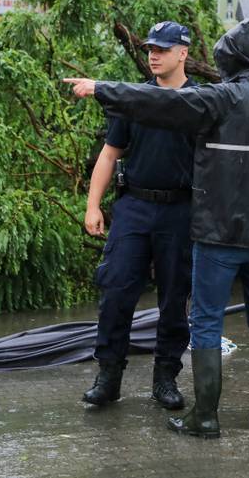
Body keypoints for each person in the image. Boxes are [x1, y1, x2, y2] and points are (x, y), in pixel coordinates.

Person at [65, 17, 249, 438]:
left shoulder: (220, 98)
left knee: (199, 317)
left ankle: (201, 413)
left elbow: (168, 106)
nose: (153, 53)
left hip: (214, 230)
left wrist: (102, 88)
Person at [82, 21, 196, 411]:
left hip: (180, 210)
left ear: (183, 53)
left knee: (174, 297)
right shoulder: (134, 98)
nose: (153, 54)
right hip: (134, 206)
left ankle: (166, 378)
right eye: (150, 48)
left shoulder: (200, 101)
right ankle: (108, 377)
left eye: (162, 49)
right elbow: (110, 153)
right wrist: (93, 205)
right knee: (116, 292)